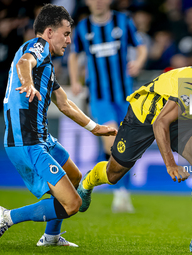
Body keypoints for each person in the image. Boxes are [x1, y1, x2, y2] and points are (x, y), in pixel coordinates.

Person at [77, 59, 192, 252]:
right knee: (114, 174)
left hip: (184, 119)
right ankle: (88, 182)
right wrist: (171, 164)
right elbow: (161, 122)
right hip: (146, 113)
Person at [0, 4, 116, 247]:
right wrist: (27, 83)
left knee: (75, 177)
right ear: (48, 32)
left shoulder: (46, 65)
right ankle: (6, 217)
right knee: (72, 204)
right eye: (66, 34)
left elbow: (65, 103)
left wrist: (95, 127)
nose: (69, 41)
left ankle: (51, 237)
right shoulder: (37, 47)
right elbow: (24, 63)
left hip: (42, 138)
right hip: (27, 141)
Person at [68, 0, 147, 213]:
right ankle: (119, 192)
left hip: (125, 96)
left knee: (126, 146)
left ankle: (123, 192)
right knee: (112, 142)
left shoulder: (123, 21)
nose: (98, 2)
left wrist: (138, 63)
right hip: (99, 97)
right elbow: (74, 54)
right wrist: (75, 80)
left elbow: (141, 48)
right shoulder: (83, 28)